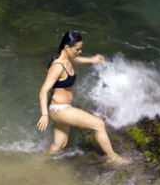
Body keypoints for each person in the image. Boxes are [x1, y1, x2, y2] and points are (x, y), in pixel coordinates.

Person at [37, 30, 130, 165]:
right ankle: (113, 157)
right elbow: (43, 91)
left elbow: (76, 60)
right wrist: (44, 115)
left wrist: (92, 60)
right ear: (67, 47)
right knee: (98, 125)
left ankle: (37, 163)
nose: (80, 51)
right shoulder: (57, 67)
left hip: (61, 109)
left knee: (59, 145)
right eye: (77, 49)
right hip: (60, 109)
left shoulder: (66, 59)